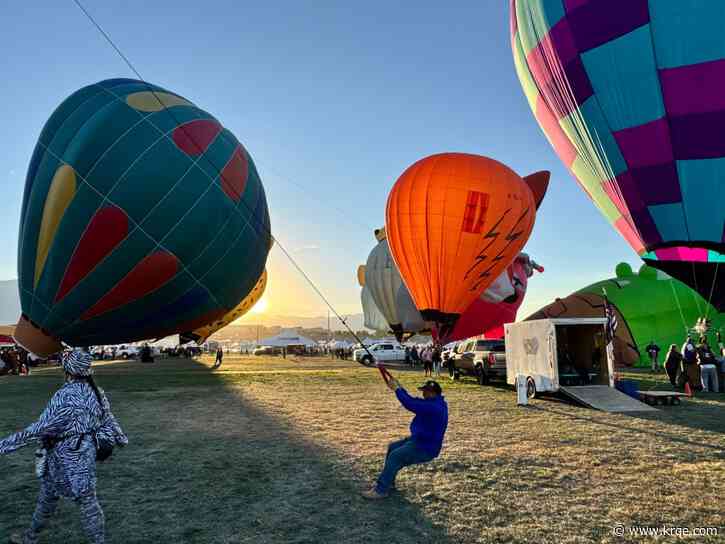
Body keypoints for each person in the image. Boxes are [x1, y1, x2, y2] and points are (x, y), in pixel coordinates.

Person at [2, 350, 128, 544]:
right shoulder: (96, 391)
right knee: (62, 498)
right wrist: (121, 438)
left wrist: (4, 446)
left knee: (79, 501)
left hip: (65, 455)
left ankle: (31, 537)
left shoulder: (65, 396)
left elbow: (39, 429)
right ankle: (30, 537)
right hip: (83, 453)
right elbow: (107, 417)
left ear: (67, 370)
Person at [363, 378, 448, 499]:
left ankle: (381, 490)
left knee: (395, 456)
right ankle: (389, 483)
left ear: (433, 392)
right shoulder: (434, 403)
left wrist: (397, 389)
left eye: (425, 391)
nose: (423, 394)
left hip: (425, 447)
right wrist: (400, 388)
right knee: (392, 448)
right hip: (419, 440)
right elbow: (413, 400)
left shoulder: (434, 407)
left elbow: (410, 404)